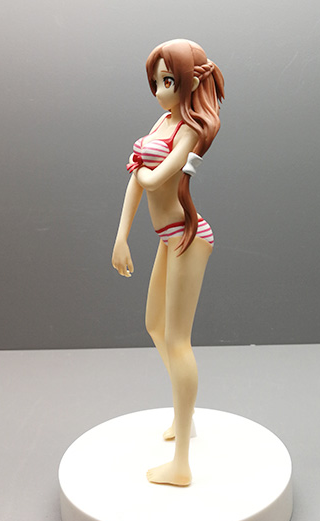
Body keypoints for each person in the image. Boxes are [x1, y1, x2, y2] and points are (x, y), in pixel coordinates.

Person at [111, 39, 225, 486]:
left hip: (186, 237)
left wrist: (138, 166)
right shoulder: (163, 120)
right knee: (154, 325)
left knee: (178, 341)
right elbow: (137, 184)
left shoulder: (189, 130)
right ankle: (184, 413)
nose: (160, 91)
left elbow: (155, 177)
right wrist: (121, 236)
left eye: (168, 81)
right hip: (166, 238)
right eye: (156, 82)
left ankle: (181, 465)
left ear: (190, 81)